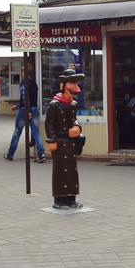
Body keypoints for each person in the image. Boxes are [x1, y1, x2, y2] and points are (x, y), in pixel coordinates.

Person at [45, 69, 86, 209]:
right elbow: (49, 124)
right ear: (62, 86)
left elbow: (74, 121)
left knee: (72, 169)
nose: (74, 87)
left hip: (71, 142)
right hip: (60, 141)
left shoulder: (73, 105)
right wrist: (52, 140)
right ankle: (59, 200)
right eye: (71, 83)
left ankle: (71, 198)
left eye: (75, 83)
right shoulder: (54, 105)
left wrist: (77, 128)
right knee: (60, 170)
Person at [4, 63, 46, 163]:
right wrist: (18, 106)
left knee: (17, 132)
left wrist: (26, 110)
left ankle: (10, 154)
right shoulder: (34, 83)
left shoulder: (24, 83)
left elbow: (25, 97)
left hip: (25, 111)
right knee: (36, 132)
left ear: (23, 72)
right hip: (35, 110)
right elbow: (31, 98)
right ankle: (41, 153)